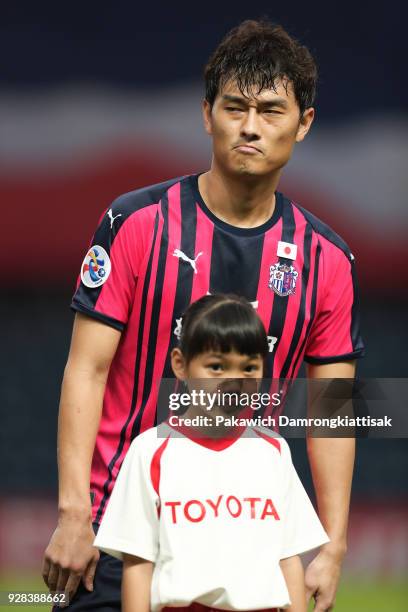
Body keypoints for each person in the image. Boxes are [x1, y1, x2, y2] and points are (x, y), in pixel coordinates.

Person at [42, 19, 364, 612]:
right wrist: (72, 512)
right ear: (206, 113)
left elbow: (333, 408)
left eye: (271, 110)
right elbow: (85, 370)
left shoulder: (328, 260)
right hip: (123, 531)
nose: (249, 127)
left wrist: (333, 544)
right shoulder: (137, 223)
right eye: (234, 106)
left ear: (305, 123)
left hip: (249, 537)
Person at [94, 293, 330, 612]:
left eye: (249, 368)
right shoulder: (151, 451)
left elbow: (288, 559)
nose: (234, 381)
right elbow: (138, 564)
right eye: (217, 366)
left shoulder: (273, 452)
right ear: (181, 364)